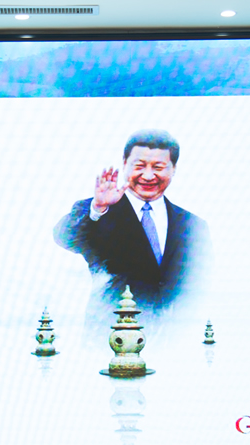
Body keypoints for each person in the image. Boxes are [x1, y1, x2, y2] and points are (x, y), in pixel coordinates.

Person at [54, 129, 211, 333]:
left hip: (175, 340)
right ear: (124, 164)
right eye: (139, 166)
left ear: (173, 169)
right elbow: (64, 237)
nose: (148, 175)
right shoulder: (99, 210)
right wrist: (98, 208)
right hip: (112, 338)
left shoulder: (194, 226)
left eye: (158, 167)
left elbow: (204, 285)